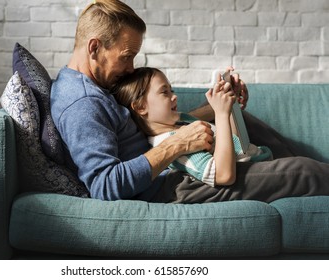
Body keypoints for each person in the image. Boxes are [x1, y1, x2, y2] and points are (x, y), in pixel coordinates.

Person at [51, 0, 329, 203]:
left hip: (174, 160)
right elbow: (105, 185)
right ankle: (313, 176)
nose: (132, 68)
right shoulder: (82, 104)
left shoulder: (96, 83)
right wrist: (179, 143)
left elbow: (152, 124)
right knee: (300, 172)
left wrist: (219, 105)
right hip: (171, 184)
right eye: (126, 56)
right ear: (94, 48)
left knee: (249, 122)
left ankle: (316, 184)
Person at [112, 67, 273, 188]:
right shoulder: (171, 144)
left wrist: (227, 97)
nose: (174, 96)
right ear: (140, 107)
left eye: (172, 90)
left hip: (259, 156)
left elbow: (235, 144)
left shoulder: (180, 120)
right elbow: (223, 175)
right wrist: (221, 114)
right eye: (164, 92)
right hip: (253, 169)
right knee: (298, 167)